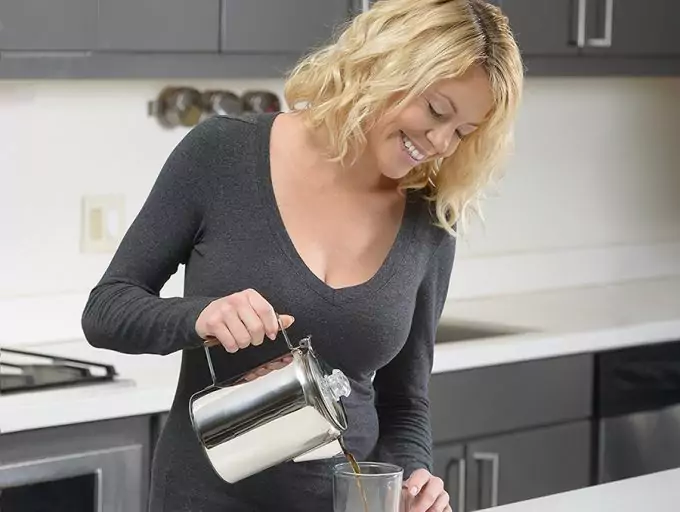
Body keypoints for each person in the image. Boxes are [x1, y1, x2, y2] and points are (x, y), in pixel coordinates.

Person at [81, 0, 523, 510]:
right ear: (385, 66)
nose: (441, 142)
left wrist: (416, 476)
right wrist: (202, 316)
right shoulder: (222, 154)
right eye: (436, 111)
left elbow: (406, 401)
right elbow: (106, 309)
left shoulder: (429, 220)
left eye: (463, 132)